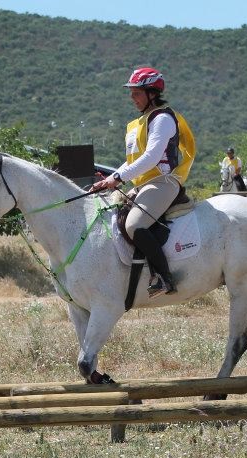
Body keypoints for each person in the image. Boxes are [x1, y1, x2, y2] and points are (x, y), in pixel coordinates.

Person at [90, 67, 195, 298]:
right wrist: (109, 179)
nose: (132, 97)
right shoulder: (138, 123)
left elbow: (152, 157)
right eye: (132, 92)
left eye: (136, 92)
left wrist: (118, 178)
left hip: (162, 182)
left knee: (134, 225)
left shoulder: (163, 118)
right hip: (142, 184)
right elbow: (132, 161)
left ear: (152, 93)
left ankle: (165, 277)